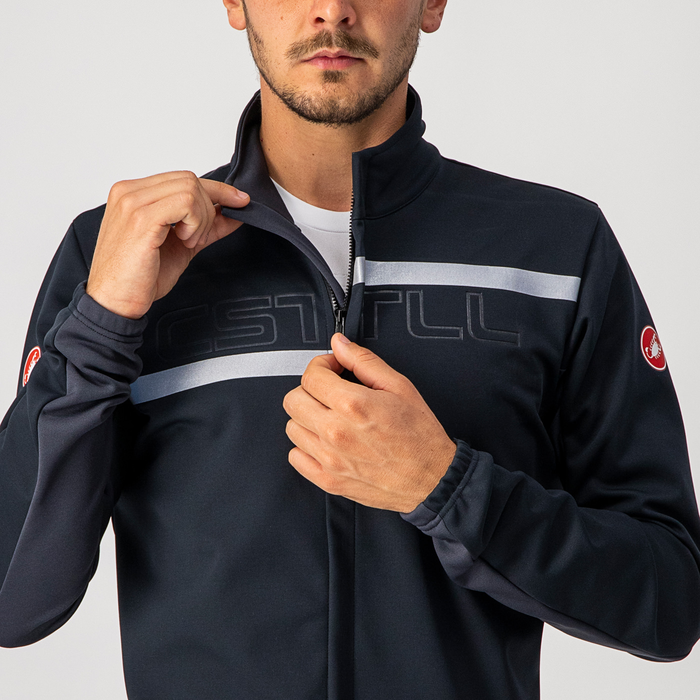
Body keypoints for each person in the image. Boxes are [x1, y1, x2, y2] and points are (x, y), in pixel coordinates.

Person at [1, 0, 699, 698]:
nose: (331, 10)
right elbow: (13, 599)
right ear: (235, 4)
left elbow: (671, 600)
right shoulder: (118, 256)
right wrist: (101, 325)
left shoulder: (556, 250)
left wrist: (447, 488)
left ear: (432, 4)